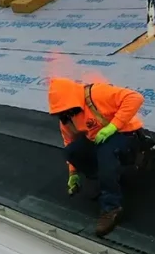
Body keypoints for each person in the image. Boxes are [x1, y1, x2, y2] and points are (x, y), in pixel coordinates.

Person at [47, 76, 145, 236]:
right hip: (97, 140)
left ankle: (111, 207)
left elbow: (135, 98)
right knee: (72, 151)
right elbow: (69, 141)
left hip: (125, 134)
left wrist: (112, 126)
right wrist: (73, 173)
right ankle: (105, 179)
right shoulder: (68, 117)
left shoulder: (96, 93)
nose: (66, 113)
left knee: (106, 155)